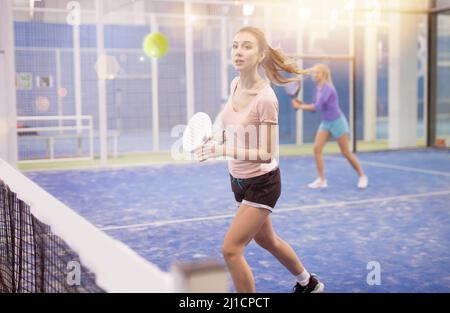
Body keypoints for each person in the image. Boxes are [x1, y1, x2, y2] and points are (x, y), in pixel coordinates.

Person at [195, 26, 324, 293]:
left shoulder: (266, 99)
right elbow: (229, 123)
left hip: (263, 183)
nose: (238, 52)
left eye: (247, 46)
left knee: (231, 249)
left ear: (261, 54)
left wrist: (224, 150)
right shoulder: (234, 84)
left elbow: (266, 152)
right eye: (235, 45)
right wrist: (216, 139)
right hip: (238, 180)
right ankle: (308, 283)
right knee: (267, 240)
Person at [292, 64, 369, 189]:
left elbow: (317, 107)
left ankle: (362, 176)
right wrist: (302, 104)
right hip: (326, 123)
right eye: (314, 73)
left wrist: (300, 107)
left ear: (324, 74)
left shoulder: (328, 89)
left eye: (318, 73)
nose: (315, 75)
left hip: (337, 122)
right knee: (317, 149)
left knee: (346, 152)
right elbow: (315, 107)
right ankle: (322, 180)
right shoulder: (318, 88)